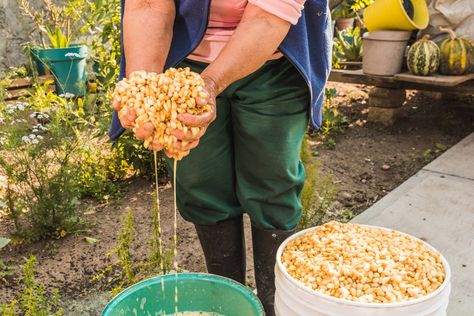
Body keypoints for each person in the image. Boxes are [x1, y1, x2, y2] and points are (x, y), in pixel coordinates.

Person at [110, 1, 331, 314]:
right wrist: (144, 91)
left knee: (273, 183)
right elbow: (148, 6)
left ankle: (273, 304)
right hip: (185, 59)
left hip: (275, 56)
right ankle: (229, 302)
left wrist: (211, 83)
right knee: (201, 183)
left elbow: (267, 17)